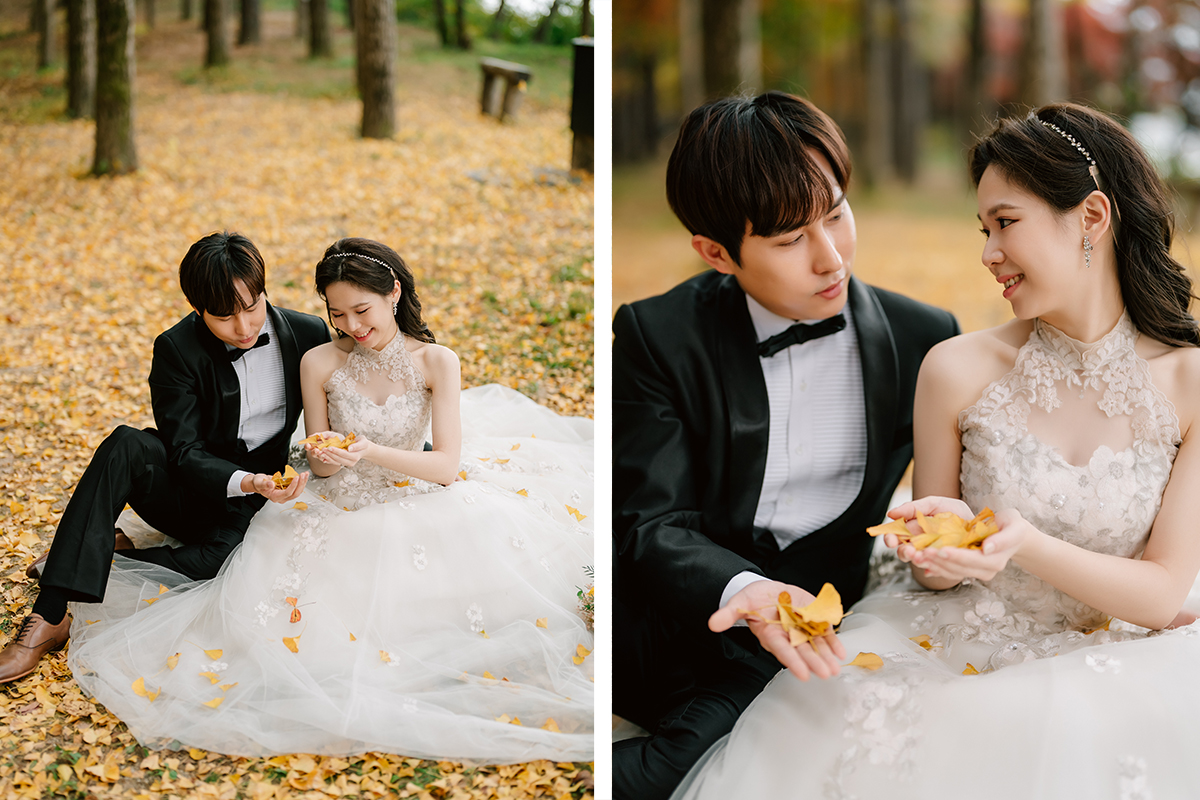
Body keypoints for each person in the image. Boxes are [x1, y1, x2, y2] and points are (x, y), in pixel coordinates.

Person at [669, 102, 1200, 799]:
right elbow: (933, 577)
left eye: (1006, 223)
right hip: (945, 640)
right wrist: (939, 557)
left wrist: (1023, 543)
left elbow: (1164, 594)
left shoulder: (1190, 383)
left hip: (1118, 656)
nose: (987, 254)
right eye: (983, 231)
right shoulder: (954, 368)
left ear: (1092, 218)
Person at [65, 238, 594, 762]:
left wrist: (371, 452)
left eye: (361, 311)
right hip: (282, 492)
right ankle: (78, 575)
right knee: (155, 477)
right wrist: (325, 458)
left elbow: (446, 466)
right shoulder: (311, 357)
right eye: (338, 315)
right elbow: (308, 457)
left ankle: (113, 560)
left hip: (401, 490)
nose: (351, 327)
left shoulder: (423, 358)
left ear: (394, 292)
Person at [612, 91, 961, 800]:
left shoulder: (925, 336)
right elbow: (647, 522)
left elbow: (950, 505)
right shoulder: (658, 336)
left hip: (807, 635)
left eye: (835, 214)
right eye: (788, 239)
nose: (831, 257)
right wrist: (748, 590)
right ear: (716, 253)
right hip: (669, 612)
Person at [1, 232, 329, 683]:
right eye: (224, 316)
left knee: (227, 567)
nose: (244, 327)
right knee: (127, 443)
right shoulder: (176, 348)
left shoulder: (307, 333)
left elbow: (338, 411)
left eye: (252, 307)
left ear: (264, 289)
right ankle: (51, 614)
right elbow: (185, 452)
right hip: (189, 488)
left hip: (255, 504)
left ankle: (97, 554)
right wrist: (244, 479)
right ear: (197, 309)